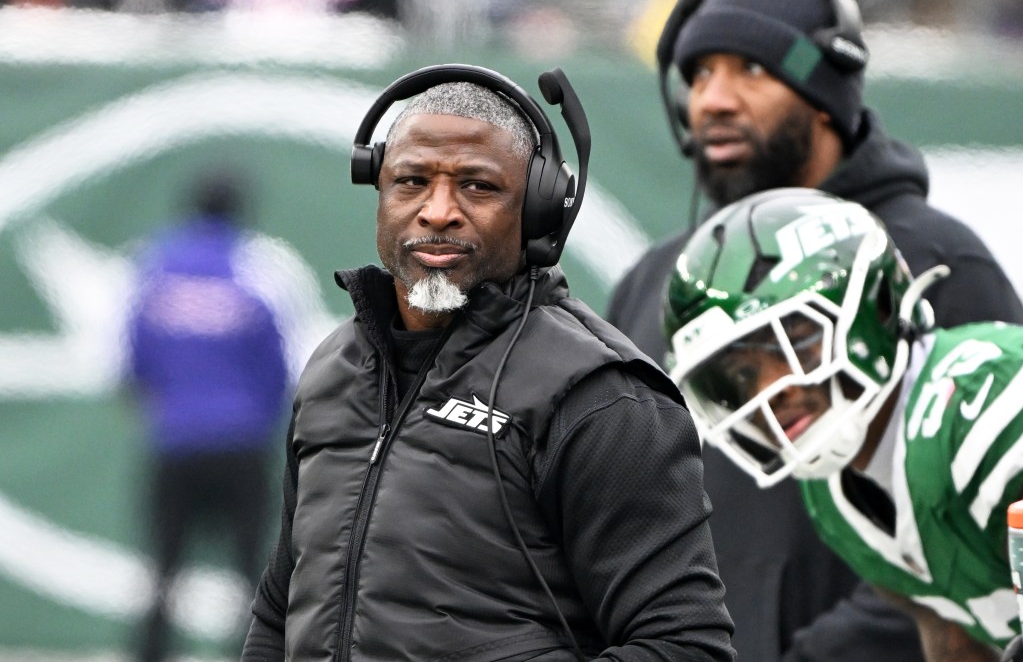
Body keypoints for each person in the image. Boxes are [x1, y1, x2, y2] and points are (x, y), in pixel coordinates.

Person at [240, 65, 736, 661]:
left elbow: (685, 645)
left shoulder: (603, 399)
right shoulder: (335, 366)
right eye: (412, 181)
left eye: (477, 186)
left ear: (539, 210)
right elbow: (279, 610)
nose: (438, 210)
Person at [606, 0, 1023, 659]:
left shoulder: (934, 261)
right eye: (700, 73)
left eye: (751, 68)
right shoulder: (658, 285)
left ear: (826, 93)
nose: (712, 98)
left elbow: (961, 562)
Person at [662, 187, 1023, 662]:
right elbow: (954, 637)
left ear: (876, 305)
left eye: (792, 340)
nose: (773, 389)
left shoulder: (985, 404)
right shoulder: (833, 492)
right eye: (744, 374)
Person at [125, 167, 290, 662]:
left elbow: (136, 358)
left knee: (162, 569)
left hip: (176, 441)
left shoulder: (157, 269)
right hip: (241, 443)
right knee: (252, 571)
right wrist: (256, 418)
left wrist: (169, 406)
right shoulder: (257, 269)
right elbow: (279, 365)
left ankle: (150, 655)